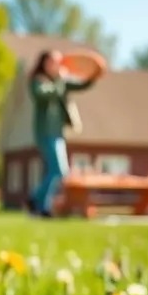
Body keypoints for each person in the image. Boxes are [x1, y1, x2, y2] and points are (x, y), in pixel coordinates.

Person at [27, 50, 103, 217]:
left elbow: (81, 85)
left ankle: (41, 207)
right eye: (54, 62)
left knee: (56, 172)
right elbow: (45, 94)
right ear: (46, 63)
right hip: (45, 133)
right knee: (58, 171)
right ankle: (35, 200)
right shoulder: (38, 81)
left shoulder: (59, 82)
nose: (58, 65)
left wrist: (94, 75)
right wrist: (61, 80)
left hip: (58, 133)